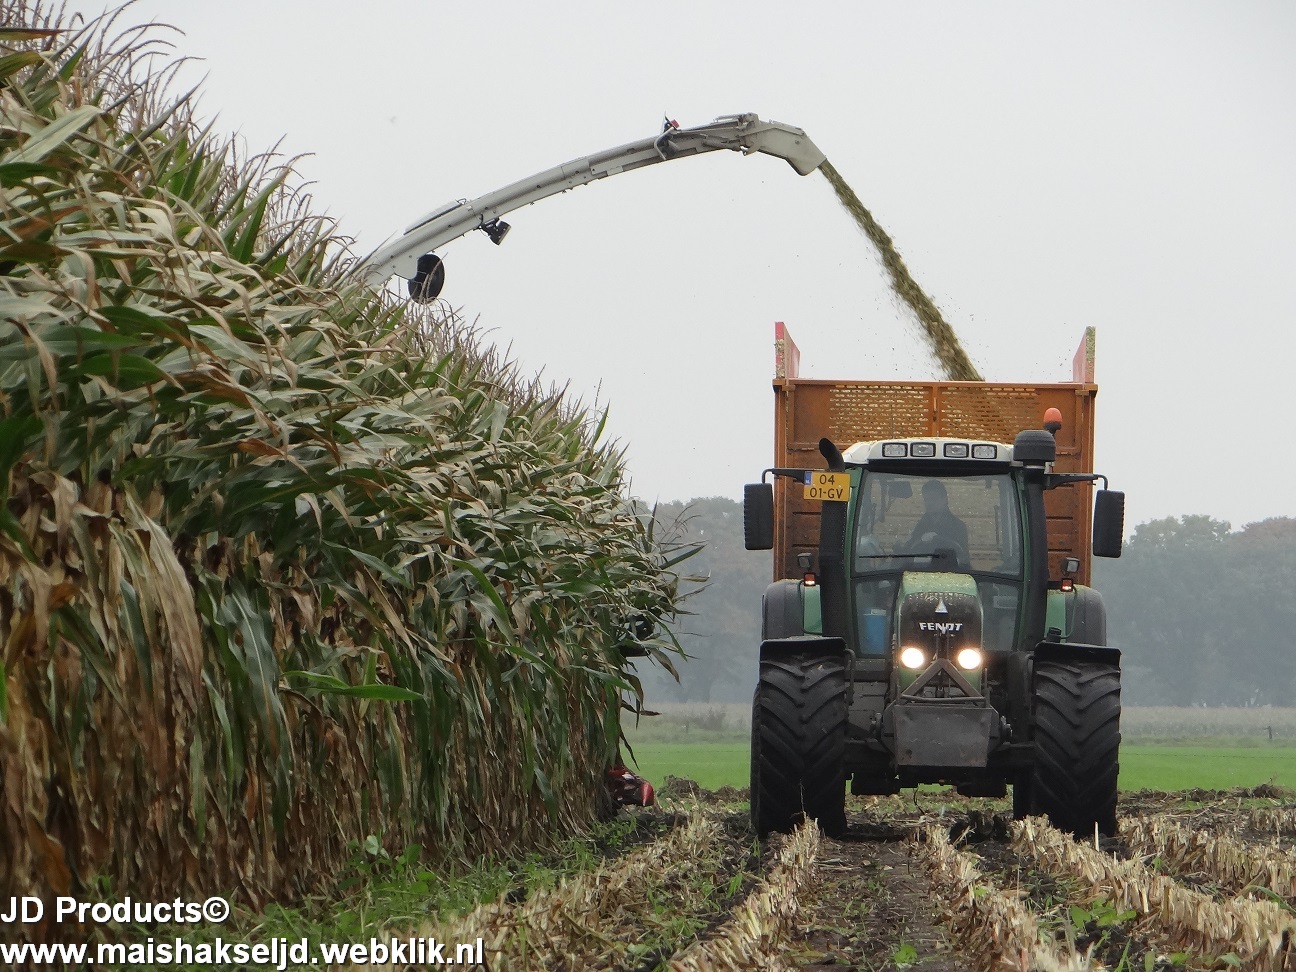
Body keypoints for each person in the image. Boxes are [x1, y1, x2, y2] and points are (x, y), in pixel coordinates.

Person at [905, 480, 969, 564]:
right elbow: (908, 554)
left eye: (933, 498)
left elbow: (964, 560)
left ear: (945, 499)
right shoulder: (921, 526)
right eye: (926, 499)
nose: (929, 503)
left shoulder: (958, 527)